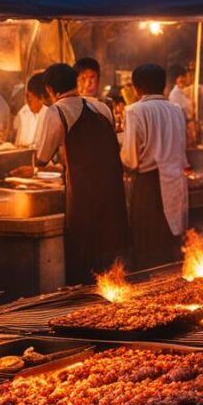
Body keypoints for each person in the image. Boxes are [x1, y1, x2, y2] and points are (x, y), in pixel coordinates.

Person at [36, 63, 127, 285]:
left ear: (49, 89)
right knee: (110, 255)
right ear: (76, 82)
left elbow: (41, 158)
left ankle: (86, 301)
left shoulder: (56, 112)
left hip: (84, 195)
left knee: (85, 257)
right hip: (113, 191)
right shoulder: (102, 107)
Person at [121, 64, 189, 270]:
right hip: (177, 183)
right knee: (173, 247)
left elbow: (131, 159)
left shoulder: (134, 111)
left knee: (149, 250)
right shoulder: (177, 110)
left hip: (150, 187)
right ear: (163, 85)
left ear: (137, 88)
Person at [12, 72, 48, 148]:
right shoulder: (24, 112)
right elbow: (15, 135)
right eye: (26, 96)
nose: (28, 102)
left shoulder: (50, 115)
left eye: (30, 99)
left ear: (41, 98)